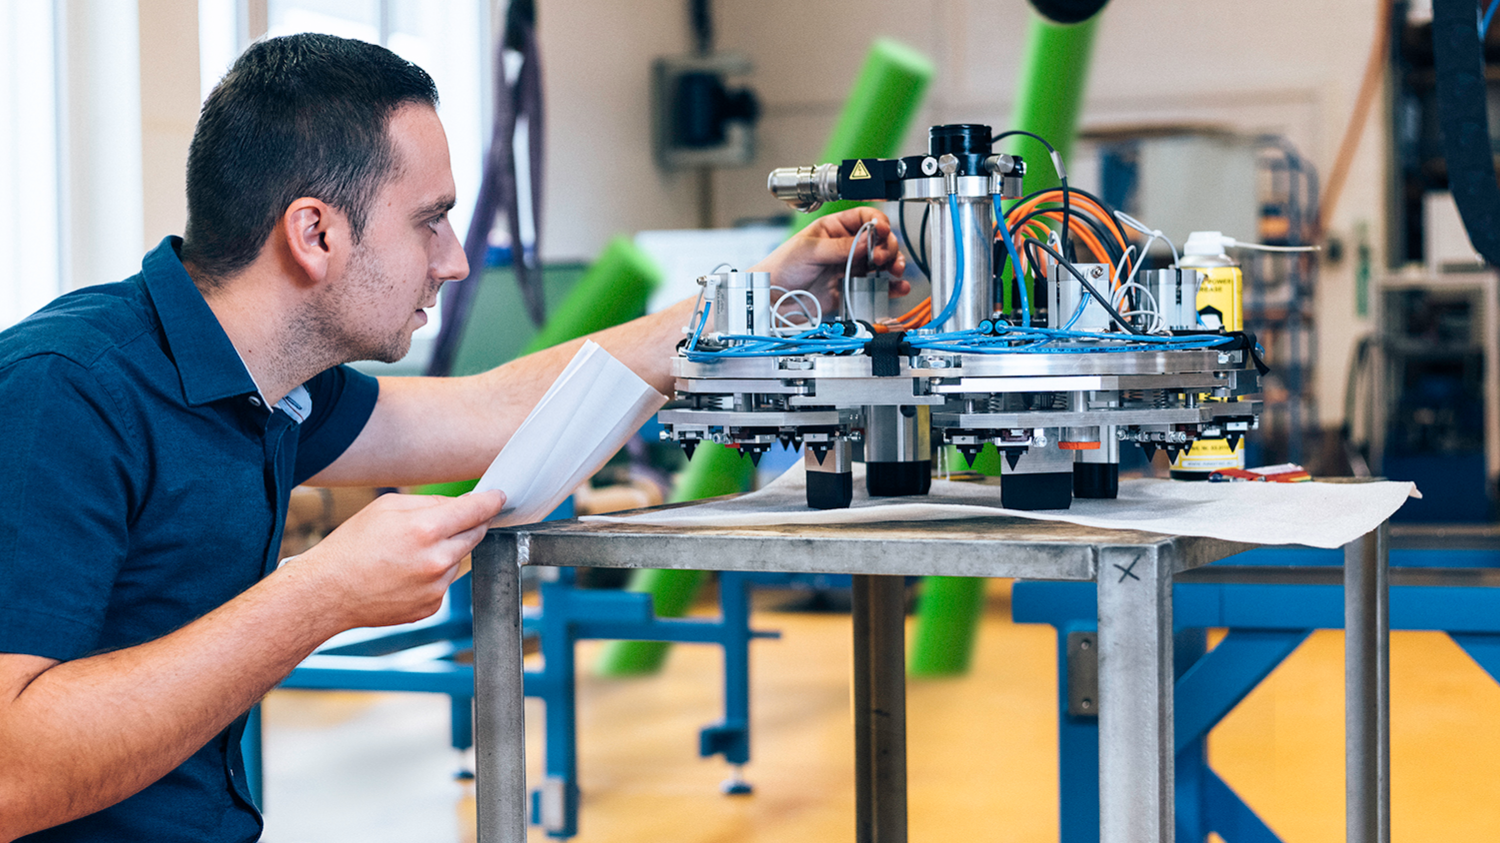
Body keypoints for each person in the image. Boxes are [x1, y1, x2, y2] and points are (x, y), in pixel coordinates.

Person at [0, 33, 905, 843]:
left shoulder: (267, 384)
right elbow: (9, 774)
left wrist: (757, 296)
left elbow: (485, 411)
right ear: (313, 232)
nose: (456, 258)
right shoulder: (67, 394)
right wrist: (318, 593)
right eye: (430, 219)